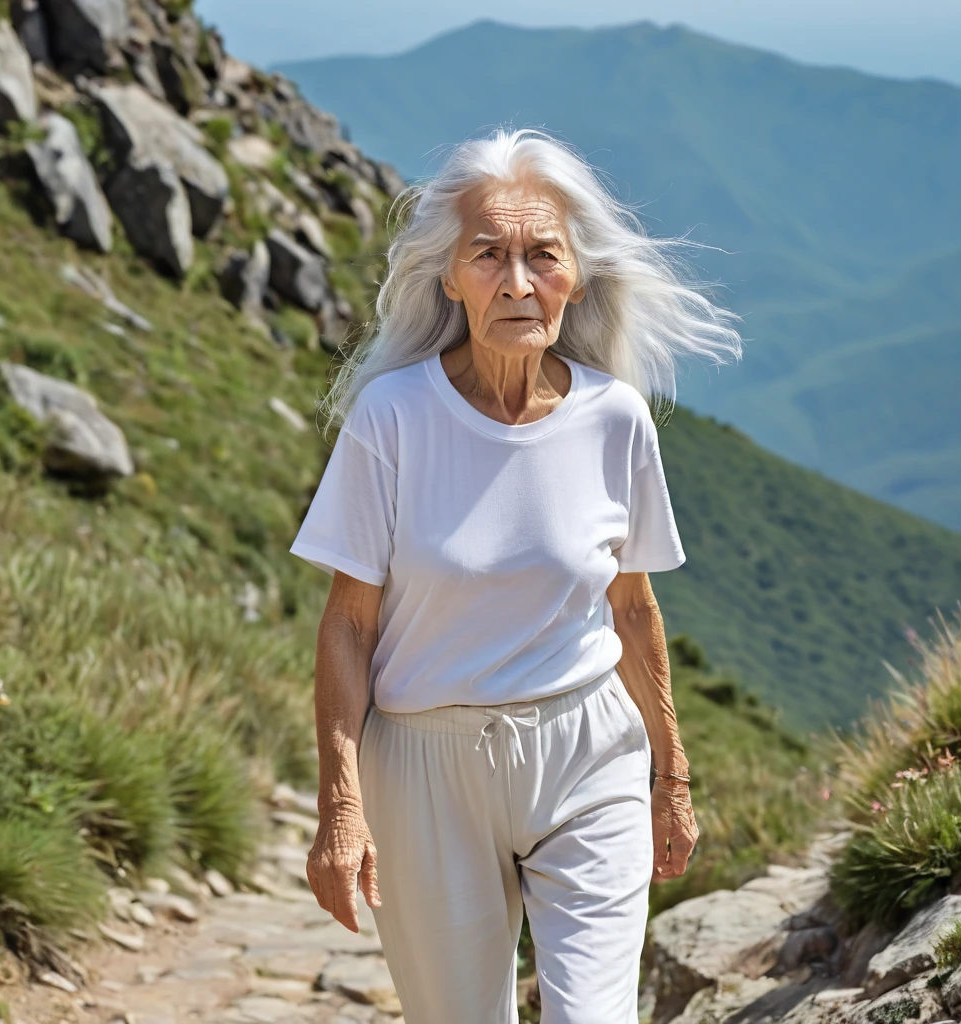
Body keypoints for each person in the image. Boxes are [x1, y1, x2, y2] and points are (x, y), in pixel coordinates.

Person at [290, 127, 743, 1024]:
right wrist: (340, 805)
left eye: (543, 255)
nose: (518, 282)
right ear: (448, 275)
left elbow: (632, 605)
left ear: (578, 275)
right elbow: (347, 625)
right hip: (424, 771)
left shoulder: (618, 422)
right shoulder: (393, 418)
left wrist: (672, 776)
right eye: (488, 255)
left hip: (588, 756)